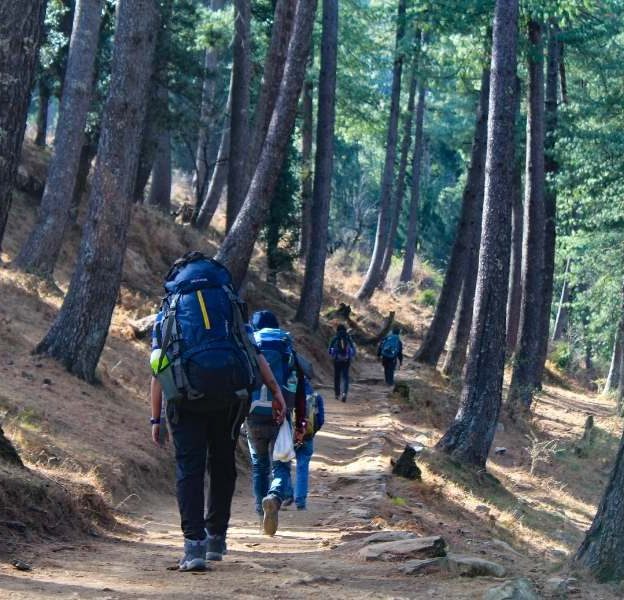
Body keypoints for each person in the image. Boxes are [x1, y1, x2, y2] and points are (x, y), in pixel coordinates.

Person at [149, 253, 286, 572]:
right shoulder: (227, 300)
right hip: (230, 396)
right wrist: (275, 391)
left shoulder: (171, 306)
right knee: (223, 462)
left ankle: (193, 547)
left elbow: (158, 366)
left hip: (184, 397)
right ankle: (216, 540)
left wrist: (156, 418)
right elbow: (252, 350)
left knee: (189, 468)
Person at [245, 310, 307, 537]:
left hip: (253, 414)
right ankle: (274, 496)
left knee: (259, 466)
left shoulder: (251, 344)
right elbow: (299, 388)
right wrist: (300, 420)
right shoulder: (286, 346)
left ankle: (260, 514)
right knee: (280, 464)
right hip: (280, 414)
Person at [281, 378, 325, 511]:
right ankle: (300, 501)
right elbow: (320, 420)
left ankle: (287, 495)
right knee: (302, 467)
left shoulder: (285, 393)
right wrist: (310, 433)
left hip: (288, 435)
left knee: (283, 464)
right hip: (307, 436)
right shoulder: (315, 396)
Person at [328, 324, 356, 402]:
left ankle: (337, 394)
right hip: (346, 360)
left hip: (337, 360)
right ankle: (344, 393)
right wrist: (350, 357)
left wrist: (333, 355)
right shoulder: (348, 338)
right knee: (345, 377)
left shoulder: (335, 338)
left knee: (337, 377)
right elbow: (353, 350)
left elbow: (329, 350)